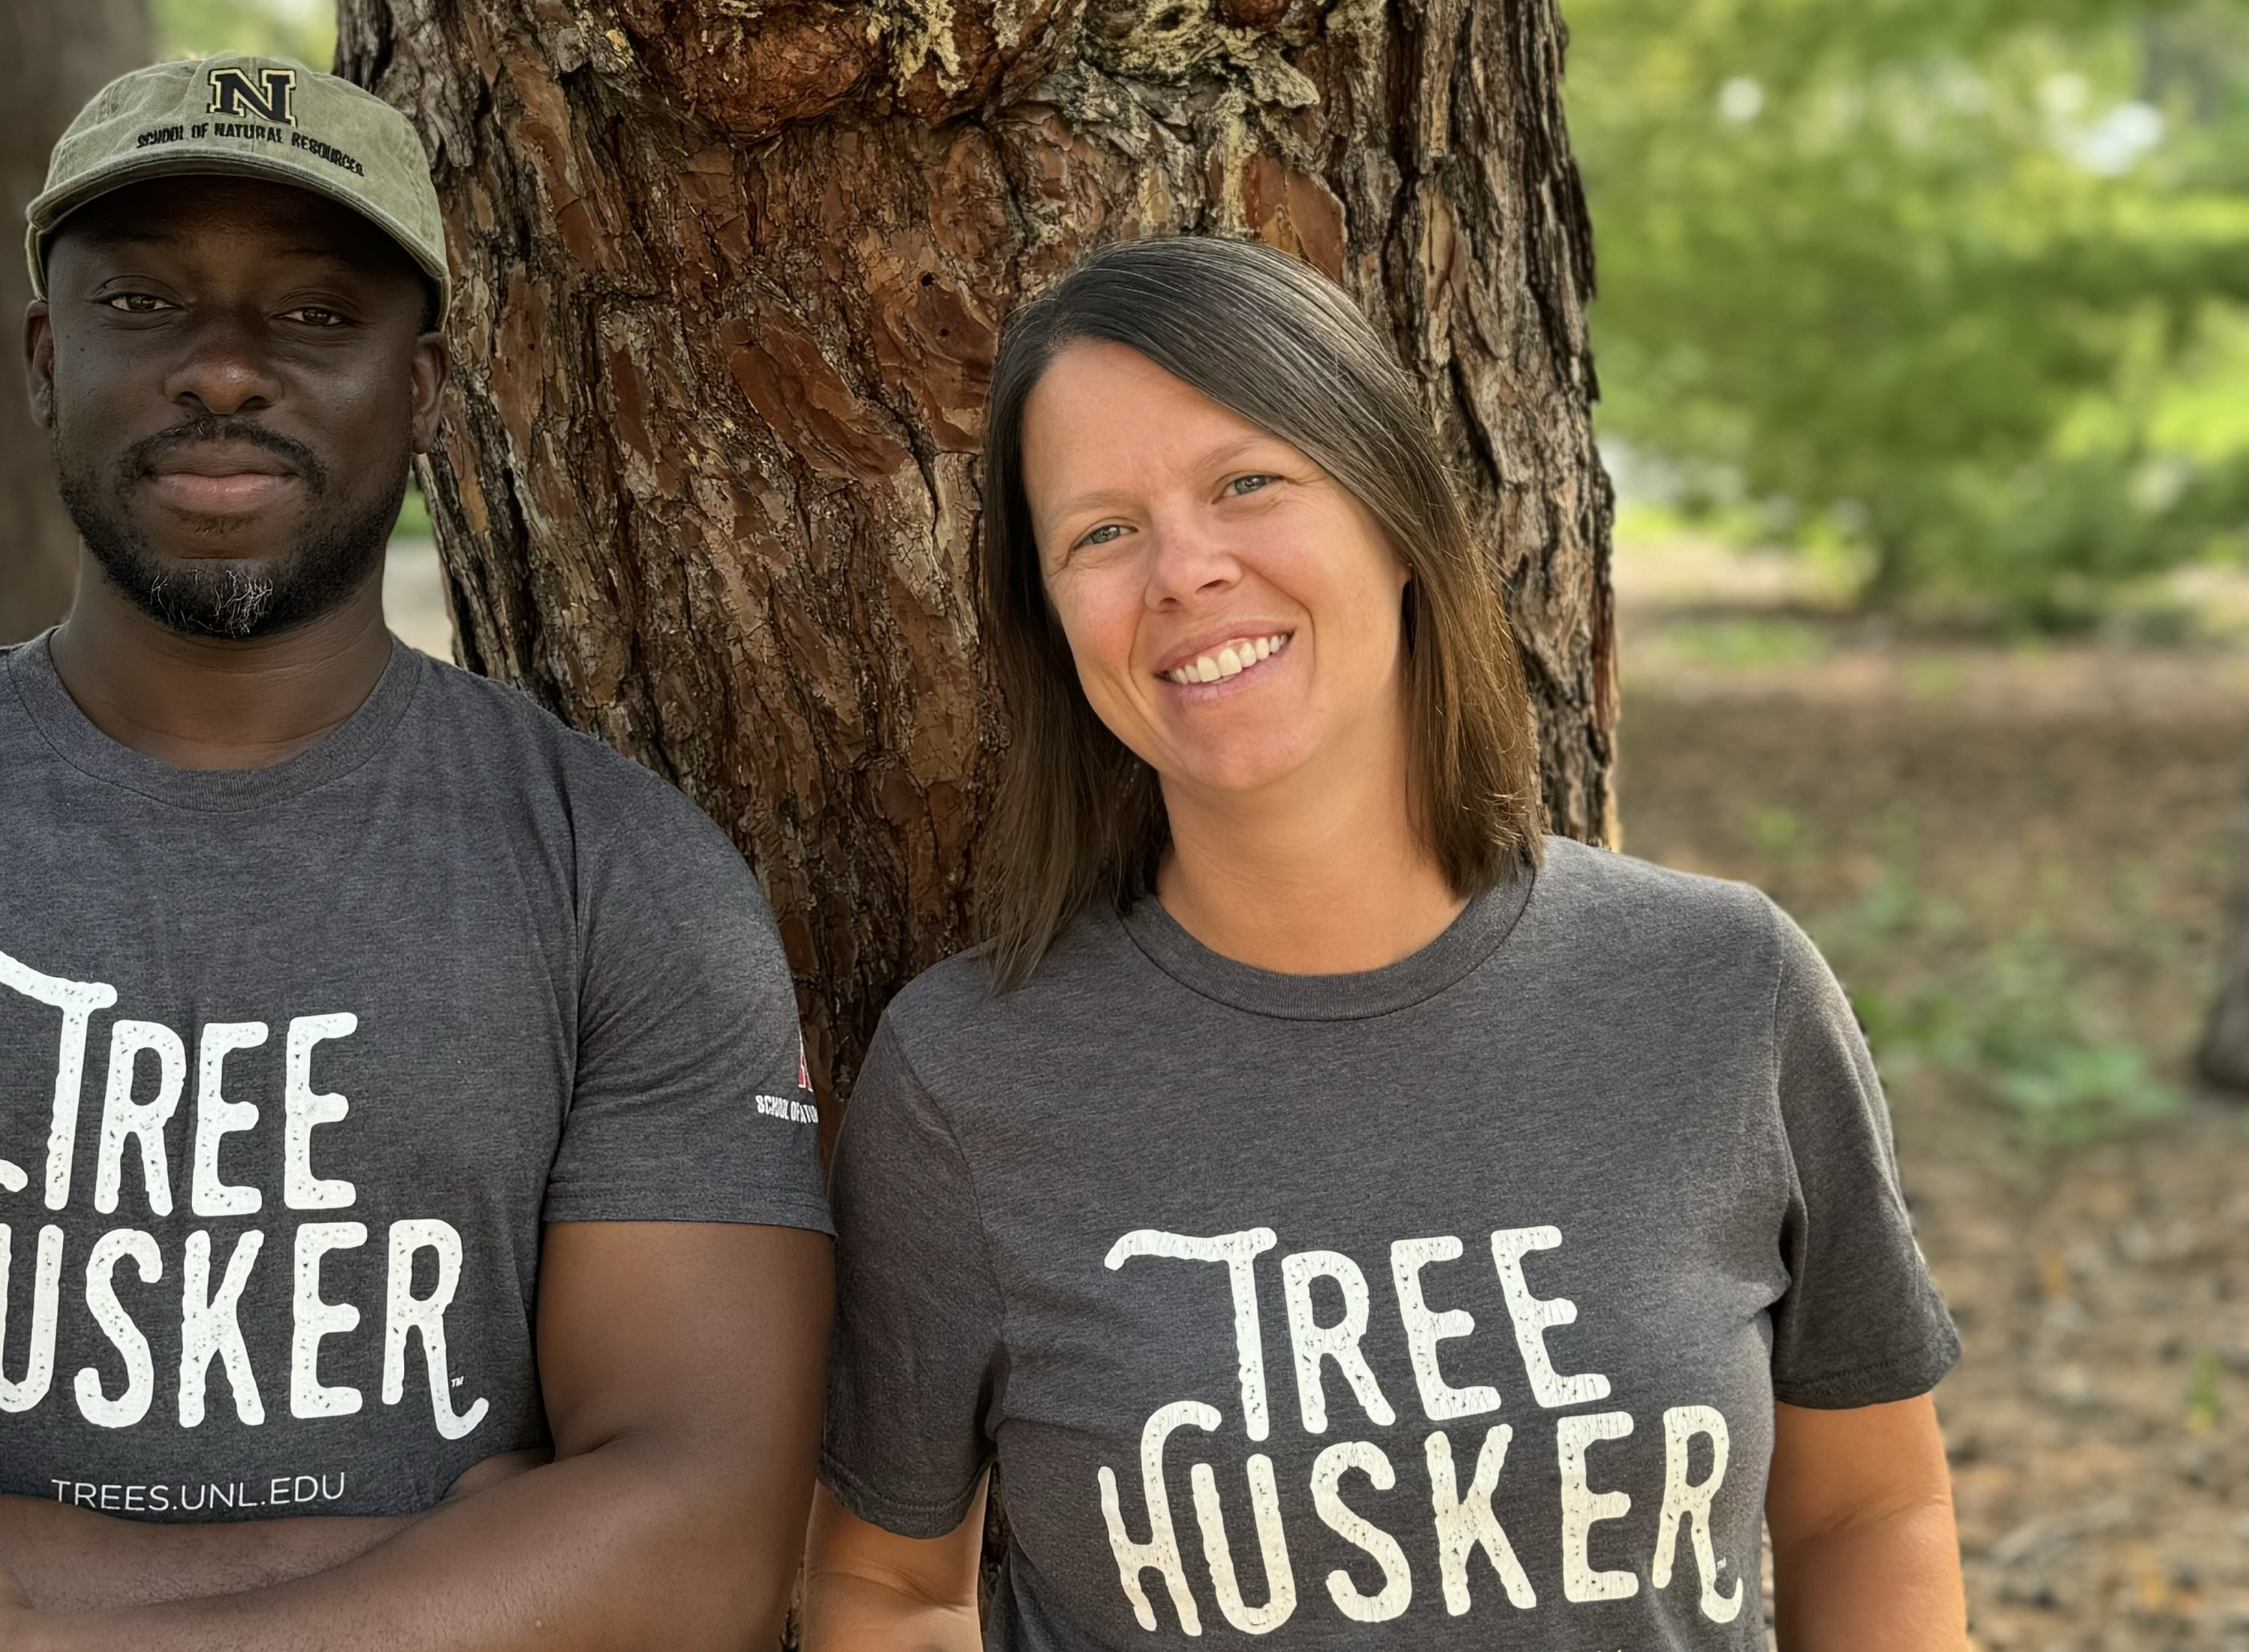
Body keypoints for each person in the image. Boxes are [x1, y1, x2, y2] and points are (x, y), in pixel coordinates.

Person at [0, 55, 832, 1652]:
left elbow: (701, 1552)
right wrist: (471, 1569)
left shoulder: (625, 877)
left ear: (426, 387)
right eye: (148, 307)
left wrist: (25, 1624)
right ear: (44, 355)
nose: (226, 373)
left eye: (313, 316)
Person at [804, 238, 1967, 1651]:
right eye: (1101, 531)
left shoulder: (1724, 990)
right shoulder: (969, 1079)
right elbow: (889, 1583)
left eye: (1247, 483)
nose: (1186, 569)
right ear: (1054, 624)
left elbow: (1868, 1511)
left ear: (1395, 516)